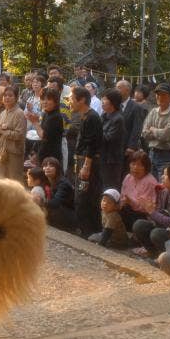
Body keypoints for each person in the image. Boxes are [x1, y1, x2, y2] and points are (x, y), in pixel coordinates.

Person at [70, 86, 103, 238]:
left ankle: (89, 231)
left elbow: (92, 144)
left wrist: (86, 166)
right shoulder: (84, 116)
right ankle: (84, 229)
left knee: (85, 196)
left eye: (72, 98)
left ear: (82, 100)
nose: (70, 101)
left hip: (88, 162)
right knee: (80, 195)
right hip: (81, 159)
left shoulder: (92, 117)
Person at [0, 85, 27, 182]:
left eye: (10, 95)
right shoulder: (3, 113)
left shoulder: (19, 113)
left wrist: (3, 132)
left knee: (13, 181)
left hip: (14, 153)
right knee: (1, 180)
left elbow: (19, 135)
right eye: (5, 95)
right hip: (1, 151)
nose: (7, 98)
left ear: (16, 98)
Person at [141, 83, 170, 181]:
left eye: (163, 95)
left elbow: (166, 136)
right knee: (151, 185)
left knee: (165, 187)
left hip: (167, 155)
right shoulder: (153, 111)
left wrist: (153, 129)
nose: (160, 97)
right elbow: (144, 133)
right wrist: (159, 132)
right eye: (158, 95)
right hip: (152, 154)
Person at [120, 151, 159, 230]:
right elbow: (122, 196)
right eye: (133, 164)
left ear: (146, 167)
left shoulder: (150, 182)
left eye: (140, 165)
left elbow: (146, 208)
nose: (135, 167)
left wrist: (131, 202)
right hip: (128, 210)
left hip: (144, 215)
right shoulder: (128, 177)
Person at [116, 80, 147, 172]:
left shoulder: (136, 107)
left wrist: (131, 146)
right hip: (115, 147)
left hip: (127, 147)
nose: (116, 90)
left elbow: (137, 128)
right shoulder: (115, 105)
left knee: (125, 172)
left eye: (119, 88)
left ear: (127, 90)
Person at [26, 88, 63, 164]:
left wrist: (35, 122)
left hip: (51, 157)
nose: (45, 102)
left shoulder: (55, 116)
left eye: (48, 99)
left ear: (55, 101)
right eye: (43, 99)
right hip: (43, 154)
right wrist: (36, 153)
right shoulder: (46, 113)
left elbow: (43, 135)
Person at [40, 157, 77, 232]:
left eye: (51, 165)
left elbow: (55, 203)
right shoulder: (46, 182)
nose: (47, 168)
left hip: (66, 215)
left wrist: (40, 202)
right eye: (45, 165)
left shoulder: (63, 183)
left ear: (57, 169)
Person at [100, 88, 126, 189]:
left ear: (113, 102)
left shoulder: (118, 119)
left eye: (105, 99)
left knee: (110, 187)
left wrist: (95, 131)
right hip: (102, 158)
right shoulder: (104, 115)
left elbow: (108, 138)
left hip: (112, 160)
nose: (102, 101)